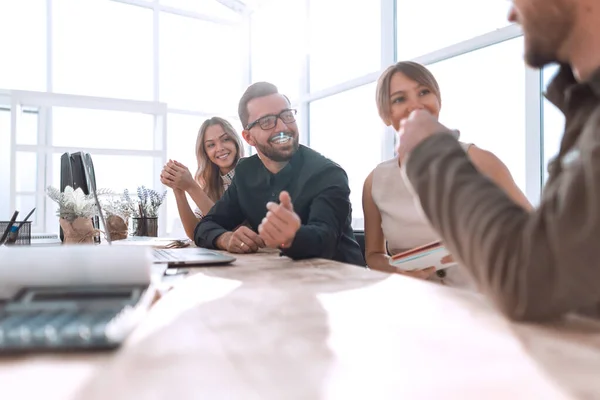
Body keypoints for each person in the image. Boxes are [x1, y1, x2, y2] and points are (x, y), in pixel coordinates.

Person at [395, 0, 600, 320]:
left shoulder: (477, 158)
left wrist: (429, 153)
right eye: (398, 98)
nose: (512, 14)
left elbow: (531, 273)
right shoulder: (584, 109)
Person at [363, 61, 532, 285]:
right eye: (399, 99)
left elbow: (535, 235)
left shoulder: (481, 161)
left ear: (438, 100)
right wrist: (396, 269)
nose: (416, 105)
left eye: (423, 92)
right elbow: (373, 256)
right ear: (386, 114)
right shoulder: (375, 182)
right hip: (418, 303)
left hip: (486, 301)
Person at [194, 82, 365, 266]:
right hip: (279, 278)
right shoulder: (244, 173)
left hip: (340, 282)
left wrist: (292, 237)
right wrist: (225, 238)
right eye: (267, 121)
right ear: (248, 137)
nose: (282, 127)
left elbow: (326, 239)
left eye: (287, 115)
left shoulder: (328, 174)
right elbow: (206, 226)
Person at [160, 117, 244, 240]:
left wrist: (191, 186)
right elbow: (196, 233)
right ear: (205, 153)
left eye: (225, 139)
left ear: (236, 142)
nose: (219, 148)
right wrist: (179, 190)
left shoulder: (249, 175)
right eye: (211, 145)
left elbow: (227, 227)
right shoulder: (211, 186)